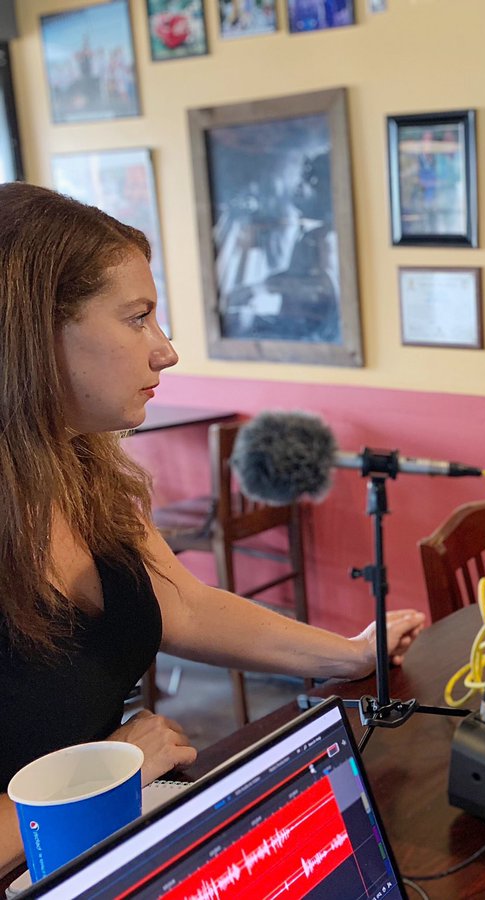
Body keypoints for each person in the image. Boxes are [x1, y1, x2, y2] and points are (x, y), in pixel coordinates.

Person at [0, 183, 426, 872]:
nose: (165, 351)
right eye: (136, 318)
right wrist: (106, 776)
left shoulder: (83, 468)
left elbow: (185, 604)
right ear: (31, 334)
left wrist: (349, 655)